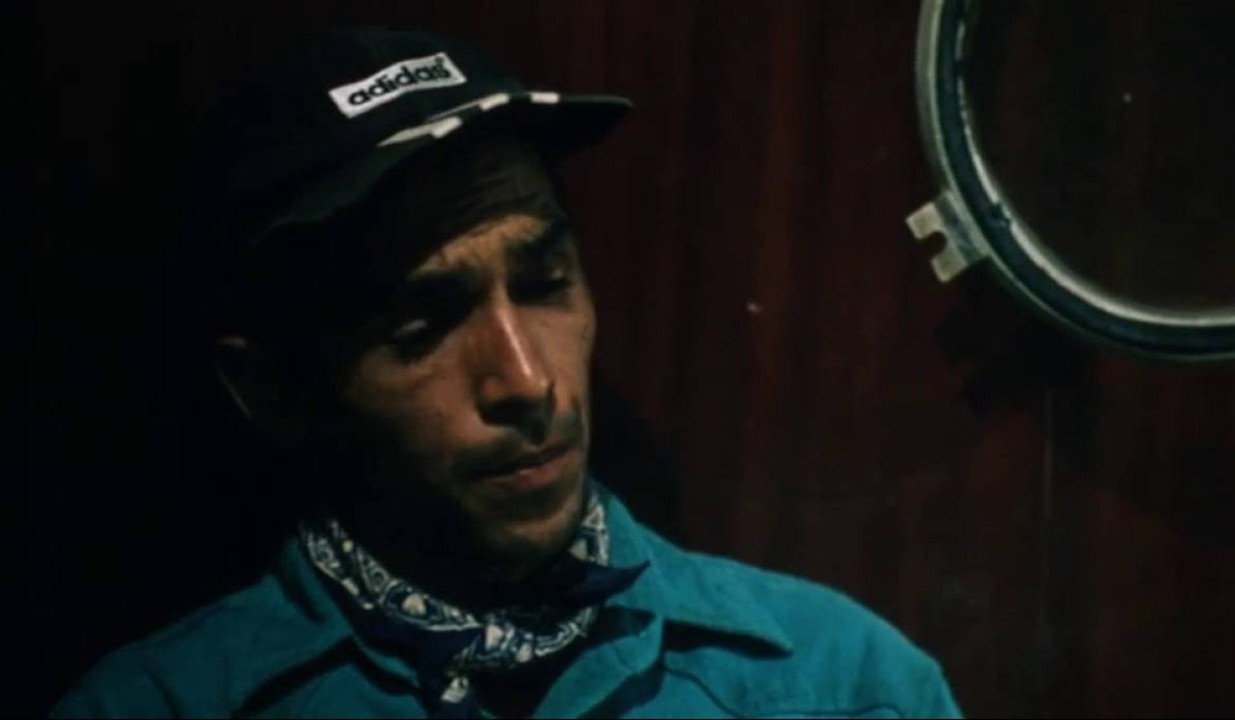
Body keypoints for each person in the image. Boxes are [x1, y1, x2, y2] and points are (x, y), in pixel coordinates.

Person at [52, 27, 962, 719]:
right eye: (421, 326)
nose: (527, 382)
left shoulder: (844, 686)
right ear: (277, 391)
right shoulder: (158, 705)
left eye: (544, 283)